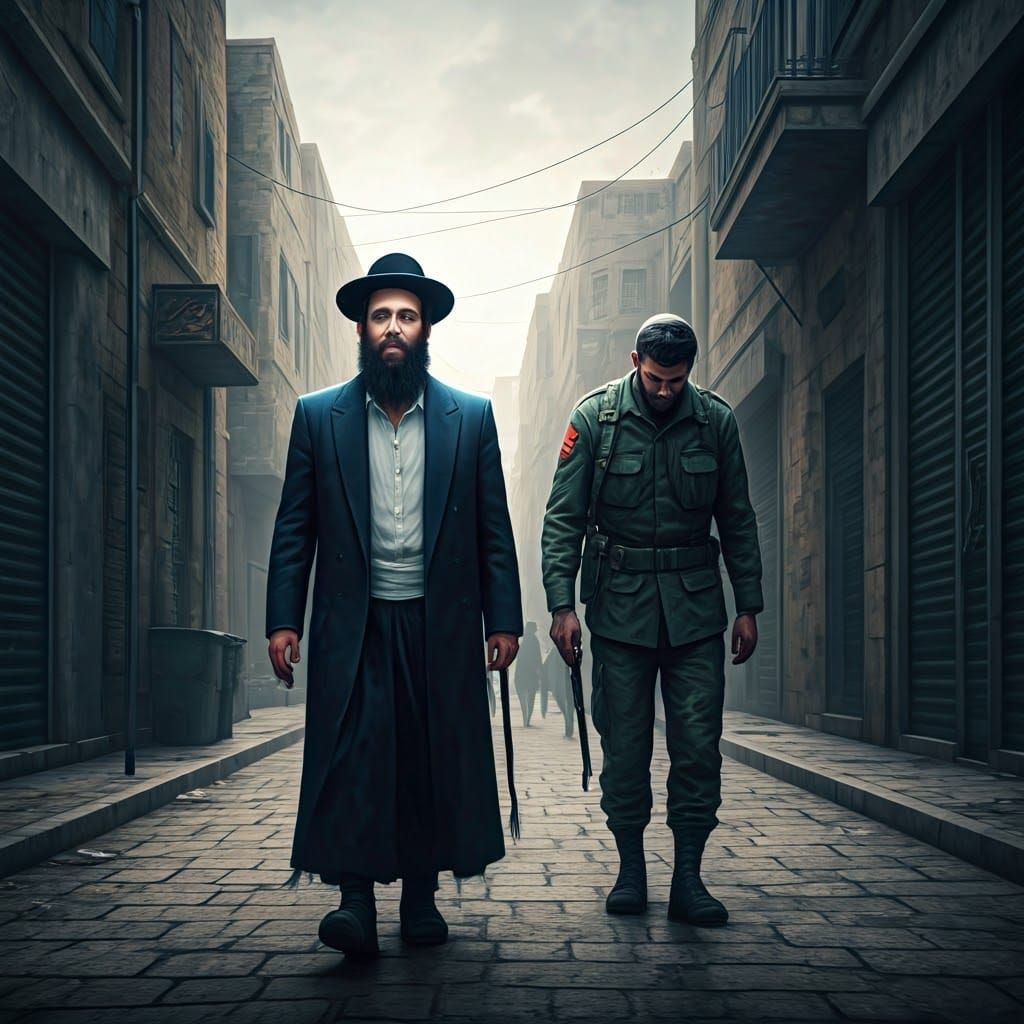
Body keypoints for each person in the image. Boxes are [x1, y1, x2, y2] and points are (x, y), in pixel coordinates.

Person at [266, 252, 522, 957]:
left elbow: (492, 528)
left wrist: (503, 620)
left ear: (425, 328)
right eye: (381, 315)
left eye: (406, 316)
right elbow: (295, 527)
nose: (393, 327)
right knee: (355, 758)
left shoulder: (470, 418)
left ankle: (419, 898)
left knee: (425, 758)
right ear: (361, 326)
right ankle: (354, 901)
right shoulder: (319, 417)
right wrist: (284, 619)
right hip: (356, 624)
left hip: (437, 625)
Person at [541, 314, 762, 927]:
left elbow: (737, 518)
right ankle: (630, 868)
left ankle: (689, 876)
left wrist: (749, 605)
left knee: (697, 748)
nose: (665, 390)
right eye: (656, 377)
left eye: (677, 379)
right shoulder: (595, 420)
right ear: (635, 358)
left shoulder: (715, 420)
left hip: (695, 614)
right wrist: (562, 605)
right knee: (626, 747)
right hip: (619, 613)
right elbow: (563, 519)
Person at [543, 641, 574, 739]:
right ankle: (569, 729)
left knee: (566, 708)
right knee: (568, 708)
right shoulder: (557, 651)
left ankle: (569, 729)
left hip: (560, 684)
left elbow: (545, 667)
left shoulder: (555, 651)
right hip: (564, 683)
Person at [514, 621, 542, 727]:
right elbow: (538, 658)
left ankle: (525, 718)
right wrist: (539, 672)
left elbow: (518, 658)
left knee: (523, 698)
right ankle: (527, 720)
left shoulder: (523, 641)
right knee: (531, 698)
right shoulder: (534, 641)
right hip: (531, 675)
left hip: (521, 674)